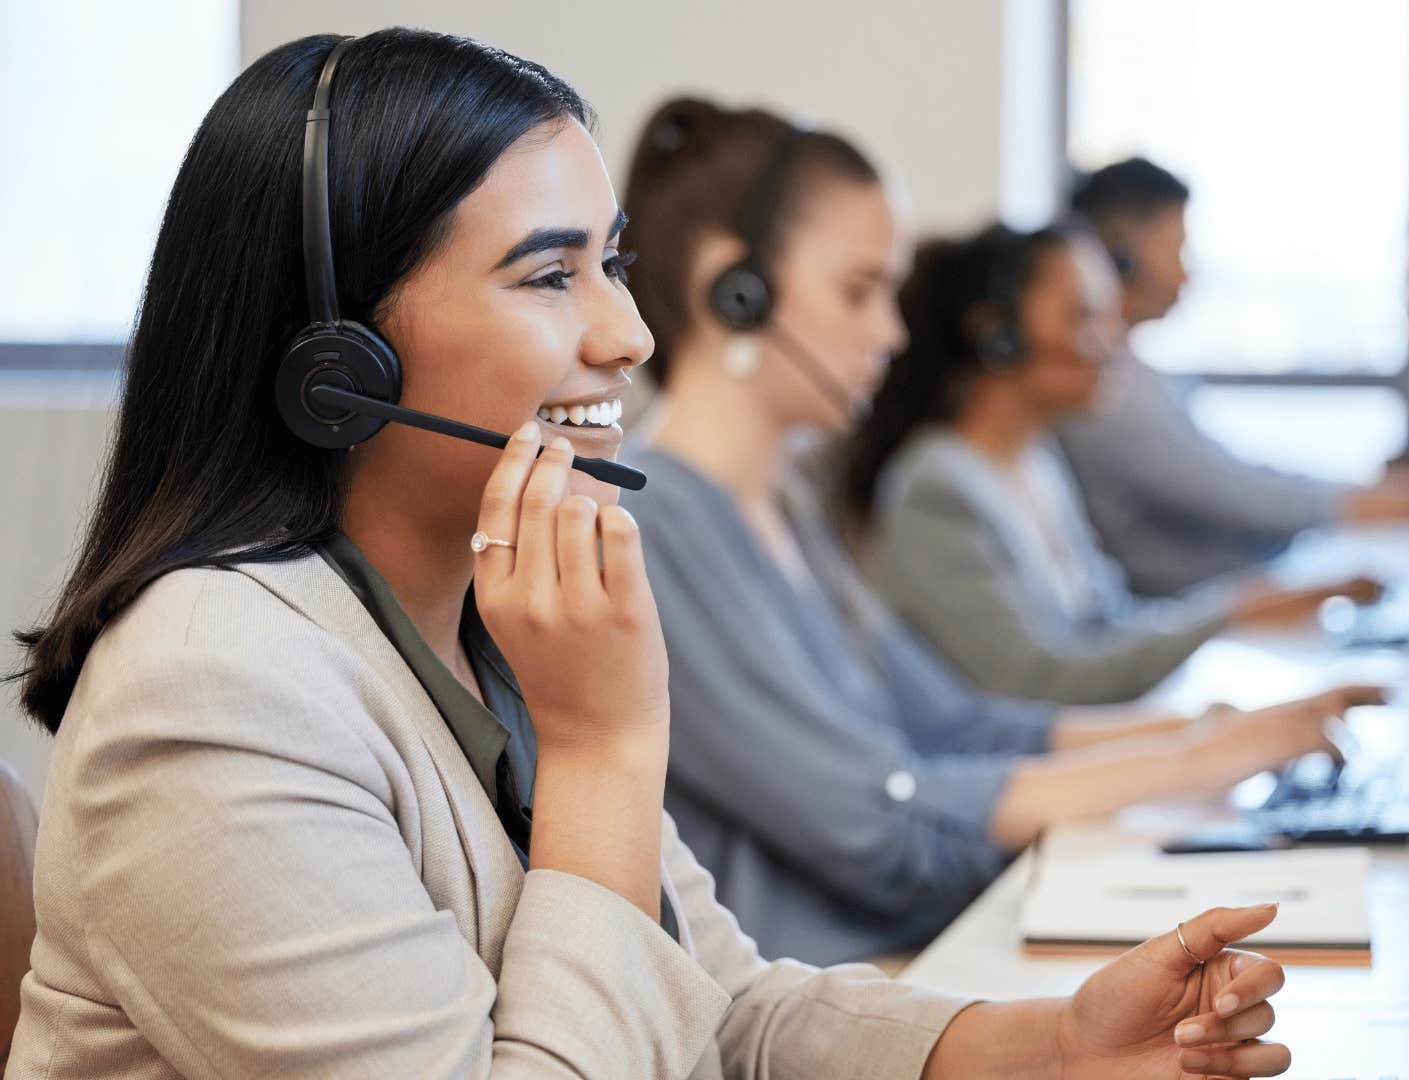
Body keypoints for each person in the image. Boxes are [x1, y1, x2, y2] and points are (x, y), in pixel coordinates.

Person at [3, 31, 1297, 1079]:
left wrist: (1046, 1046)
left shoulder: (495, 615)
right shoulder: (214, 686)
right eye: (549, 274)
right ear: (341, 364)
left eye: (612, 262)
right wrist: (605, 753)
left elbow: (715, 1009)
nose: (627, 333)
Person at [616, 98, 1378, 966]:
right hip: (833, 990)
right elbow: (877, 824)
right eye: (860, 291)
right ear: (735, 291)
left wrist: (1201, 732)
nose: (891, 333)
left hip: (918, 949)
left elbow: (957, 724)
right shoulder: (655, 527)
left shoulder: (783, 503)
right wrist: (1186, 766)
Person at [840, 222, 1379, 705]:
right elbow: (1035, 683)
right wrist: (1227, 618)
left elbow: (1108, 623)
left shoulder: (1035, 459)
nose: (1112, 340)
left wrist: (1246, 608)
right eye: (1083, 316)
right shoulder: (938, 489)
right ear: (996, 335)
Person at [1057, 155, 1409, 596]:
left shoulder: (1133, 375)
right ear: (1120, 259)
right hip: (1206, 613)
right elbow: (1240, 495)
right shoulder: (1106, 393)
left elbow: (1237, 478)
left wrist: (1395, 495)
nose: (1186, 273)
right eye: (1177, 249)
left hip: (1234, 597)